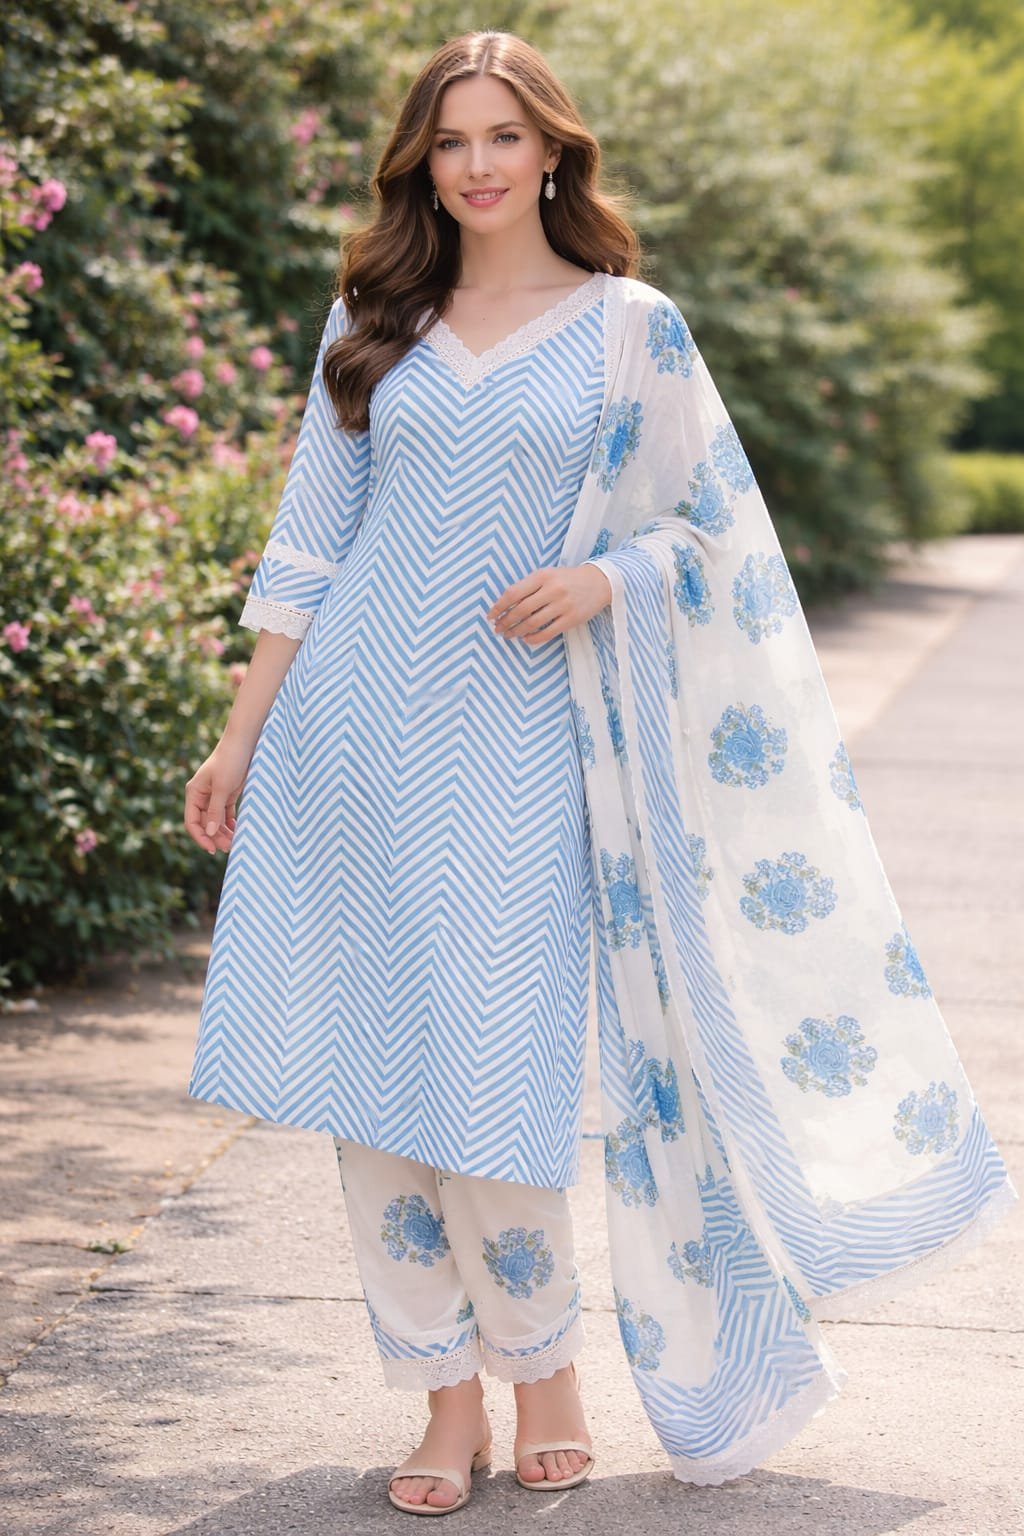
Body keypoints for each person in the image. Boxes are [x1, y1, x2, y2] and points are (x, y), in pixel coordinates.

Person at [184, 26, 1016, 1516]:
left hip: (527, 749)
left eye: (505, 136)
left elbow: (714, 529)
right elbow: (311, 538)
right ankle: (443, 1398)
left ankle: (545, 1373)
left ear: (554, 151)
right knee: (374, 1084)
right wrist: (241, 735)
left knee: (497, 1077)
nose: (478, 165)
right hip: (352, 745)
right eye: (451, 140)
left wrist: (608, 576)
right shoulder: (371, 319)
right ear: (420, 162)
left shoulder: (635, 328)